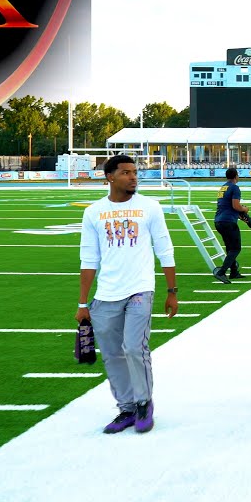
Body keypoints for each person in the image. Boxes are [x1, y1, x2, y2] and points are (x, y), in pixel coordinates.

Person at [78, 155, 178, 434]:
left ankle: (145, 403)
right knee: (111, 354)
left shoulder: (149, 207)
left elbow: (165, 249)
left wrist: (172, 291)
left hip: (140, 289)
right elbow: (88, 258)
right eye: (125, 173)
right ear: (109, 177)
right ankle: (126, 408)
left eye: (135, 172)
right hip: (106, 294)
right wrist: (83, 303)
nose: (133, 177)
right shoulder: (93, 212)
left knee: (134, 347)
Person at [212, 168, 251, 284]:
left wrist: (242, 217)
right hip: (228, 221)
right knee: (235, 248)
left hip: (219, 220)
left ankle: (234, 271)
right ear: (236, 176)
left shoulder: (223, 187)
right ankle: (222, 272)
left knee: (230, 248)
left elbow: (227, 206)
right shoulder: (235, 187)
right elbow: (236, 206)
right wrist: (245, 209)